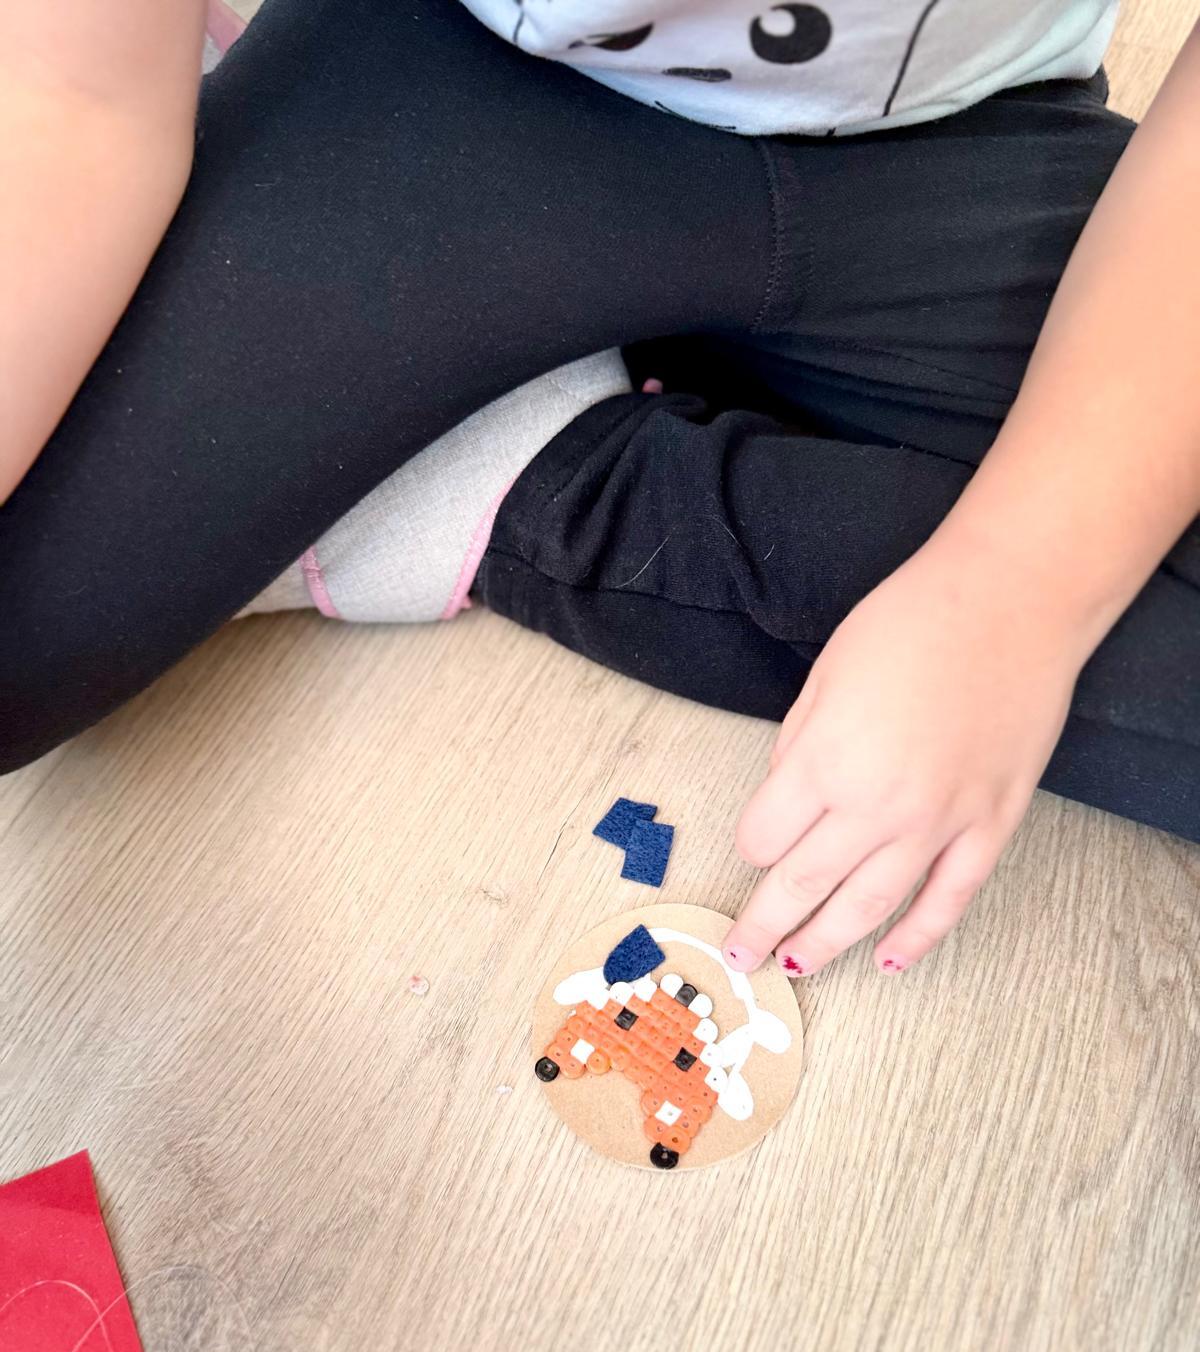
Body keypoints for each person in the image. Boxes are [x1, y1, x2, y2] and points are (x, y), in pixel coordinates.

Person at [1, 0, 1197, 979]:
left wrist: (1017, 592)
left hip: (960, 140)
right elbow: (70, 98)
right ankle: (509, 466)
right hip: (445, 87)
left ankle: (489, 441)